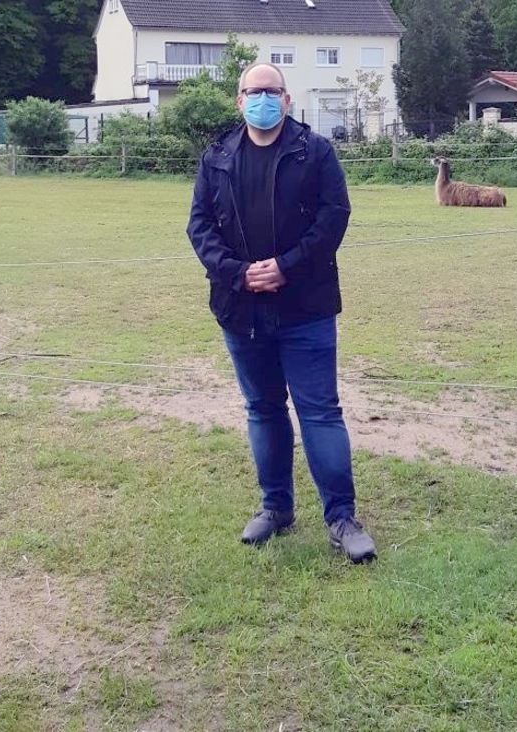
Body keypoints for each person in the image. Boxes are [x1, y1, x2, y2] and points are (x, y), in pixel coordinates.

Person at [186, 62, 376, 563]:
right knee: (263, 410)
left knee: (319, 412)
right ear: (239, 99)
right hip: (240, 308)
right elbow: (199, 225)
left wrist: (286, 267)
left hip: (305, 307)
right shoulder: (217, 157)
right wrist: (236, 272)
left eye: (272, 91)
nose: (262, 99)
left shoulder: (314, 152)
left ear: (287, 99)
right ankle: (275, 508)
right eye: (253, 91)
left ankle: (341, 517)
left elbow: (334, 217)